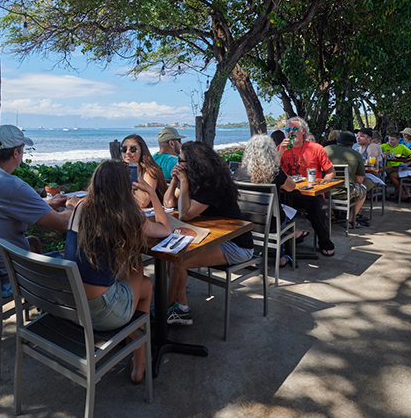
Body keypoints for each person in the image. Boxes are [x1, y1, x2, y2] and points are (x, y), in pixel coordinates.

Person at [64, 160, 169, 384]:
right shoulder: (127, 216)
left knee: (136, 275)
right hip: (104, 314)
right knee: (142, 276)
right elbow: (165, 229)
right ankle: (139, 361)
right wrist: (152, 192)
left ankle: (136, 349)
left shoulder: (80, 208)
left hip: (74, 308)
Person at [0, 125, 78, 298]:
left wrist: (46, 205)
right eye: (22, 150)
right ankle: (54, 304)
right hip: (3, 282)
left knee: (33, 242)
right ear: (15, 153)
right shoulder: (10, 184)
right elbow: (64, 224)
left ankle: (42, 299)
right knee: (77, 265)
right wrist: (73, 206)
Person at [162, 141, 256, 325]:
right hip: (212, 238)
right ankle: (181, 309)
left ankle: (163, 310)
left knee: (178, 262)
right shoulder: (193, 179)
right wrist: (174, 182)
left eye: (181, 160)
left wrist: (183, 181)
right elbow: (168, 203)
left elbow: (185, 214)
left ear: (194, 163)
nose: (178, 164)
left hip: (236, 244)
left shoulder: (212, 184)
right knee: (171, 259)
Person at [233, 134, 300, 266]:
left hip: (246, 221)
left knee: (279, 212)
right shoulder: (274, 172)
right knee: (283, 214)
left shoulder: (238, 173)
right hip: (271, 225)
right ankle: (280, 257)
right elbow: (291, 187)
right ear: (270, 153)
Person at [276, 116, 335, 257]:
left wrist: (321, 185)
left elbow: (331, 172)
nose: (291, 132)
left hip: (309, 194)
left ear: (303, 131)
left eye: (295, 129)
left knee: (315, 209)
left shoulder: (316, 148)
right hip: (287, 191)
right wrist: (281, 152)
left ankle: (325, 242)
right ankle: (289, 237)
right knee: (271, 203)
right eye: (288, 129)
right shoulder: (281, 147)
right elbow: (272, 169)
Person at [325, 131, 367, 228]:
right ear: (352, 144)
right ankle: (350, 221)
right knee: (363, 192)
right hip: (344, 192)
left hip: (323, 190)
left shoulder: (325, 150)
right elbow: (359, 181)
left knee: (325, 192)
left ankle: (331, 214)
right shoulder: (356, 155)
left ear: (337, 141)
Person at [120, 134, 168, 208]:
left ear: (142, 151)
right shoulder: (120, 170)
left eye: (133, 149)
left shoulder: (150, 172)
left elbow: (143, 202)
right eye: (124, 149)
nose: (128, 152)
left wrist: (130, 179)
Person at [382, 133, 411, 202]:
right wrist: (382, 154)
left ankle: (401, 195)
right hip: (388, 167)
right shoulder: (384, 146)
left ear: (398, 140)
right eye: (389, 139)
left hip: (399, 166)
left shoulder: (401, 147)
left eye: (393, 140)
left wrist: (406, 163)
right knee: (393, 174)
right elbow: (376, 150)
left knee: (394, 175)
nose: (390, 141)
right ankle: (402, 194)